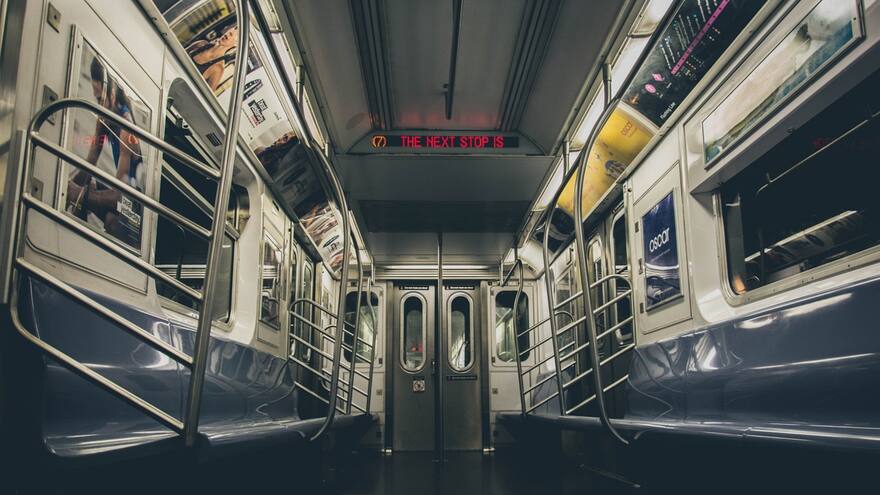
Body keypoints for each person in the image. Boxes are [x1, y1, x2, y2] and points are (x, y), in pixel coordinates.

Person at [67, 56, 144, 245]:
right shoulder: (104, 118)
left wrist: (77, 193)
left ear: (111, 91)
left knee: (111, 219)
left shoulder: (127, 129)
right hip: (122, 196)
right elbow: (91, 159)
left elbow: (121, 196)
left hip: (134, 206)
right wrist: (64, 184)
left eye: (99, 98)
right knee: (87, 183)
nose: (98, 104)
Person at [188, 23, 238, 93]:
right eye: (228, 33)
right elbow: (178, 51)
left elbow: (207, 96)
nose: (226, 35)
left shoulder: (217, 68)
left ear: (236, 44)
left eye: (230, 35)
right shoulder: (201, 44)